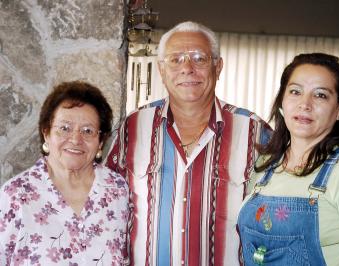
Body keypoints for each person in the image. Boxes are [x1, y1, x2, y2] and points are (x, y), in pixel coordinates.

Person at [106, 21, 272, 265]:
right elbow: (107, 209)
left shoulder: (255, 132)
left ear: (218, 66)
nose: (187, 68)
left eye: (199, 58)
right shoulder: (132, 128)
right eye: (175, 59)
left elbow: (277, 218)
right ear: (161, 70)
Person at [237, 53, 339, 265]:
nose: (305, 104)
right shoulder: (264, 167)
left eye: (320, 95)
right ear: (282, 102)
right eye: (295, 92)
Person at [0, 81, 130, 265]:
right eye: (64, 128)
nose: (76, 139)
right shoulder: (15, 195)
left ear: (100, 141)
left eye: (88, 131)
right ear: (46, 133)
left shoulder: (118, 190)